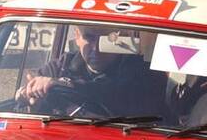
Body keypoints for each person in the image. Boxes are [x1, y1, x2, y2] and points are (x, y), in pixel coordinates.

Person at [17, 24, 166, 116]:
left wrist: (63, 85)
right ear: (77, 36)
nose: (96, 48)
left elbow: (115, 94)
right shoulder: (60, 67)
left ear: (121, 39)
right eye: (89, 37)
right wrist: (30, 99)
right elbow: (24, 108)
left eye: (107, 39)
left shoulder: (143, 73)